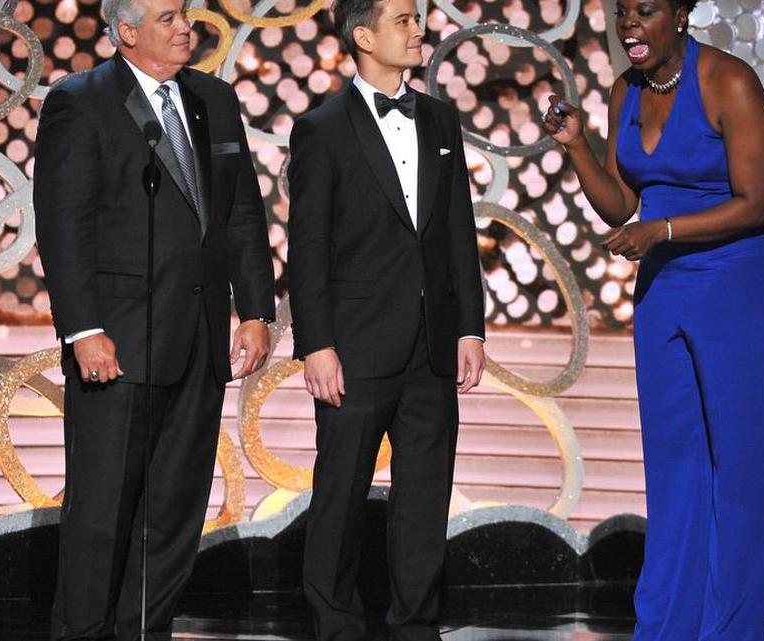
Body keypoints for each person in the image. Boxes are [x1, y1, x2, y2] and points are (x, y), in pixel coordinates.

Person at [32, 0, 275, 636]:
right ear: (127, 32)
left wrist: (255, 309)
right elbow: (64, 226)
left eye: (186, 15)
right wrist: (84, 329)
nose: (184, 28)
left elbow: (242, 211)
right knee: (103, 510)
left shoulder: (215, 99)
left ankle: (145, 629)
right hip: (116, 341)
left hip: (197, 340)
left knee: (175, 508)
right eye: (167, 18)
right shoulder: (81, 101)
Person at [542, 1, 764, 638]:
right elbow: (620, 202)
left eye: (645, 11)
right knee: (674, 460)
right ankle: (669, 625)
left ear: (680, 14)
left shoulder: (729, 82)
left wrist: (665, 227)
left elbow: (756, 204)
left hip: (734, 278)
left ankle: (732, 627)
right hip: (664, 282)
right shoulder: (626, 89)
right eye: (622, 13)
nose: (629, 26)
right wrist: (578, 148)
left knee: (738, 459)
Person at [286, 0, 487, 637]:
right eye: (404, 19)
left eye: (418, 17)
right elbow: (308, 245)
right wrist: (315, 343)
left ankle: (417, 622)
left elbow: (458, 230)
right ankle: (334, 624)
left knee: (425, 499)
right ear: (364, 36)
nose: (419, 29)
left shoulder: (441, 118)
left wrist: (469, 327)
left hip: (432, 345)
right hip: (356, 345)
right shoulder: (322, 128)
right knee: (340, 496)